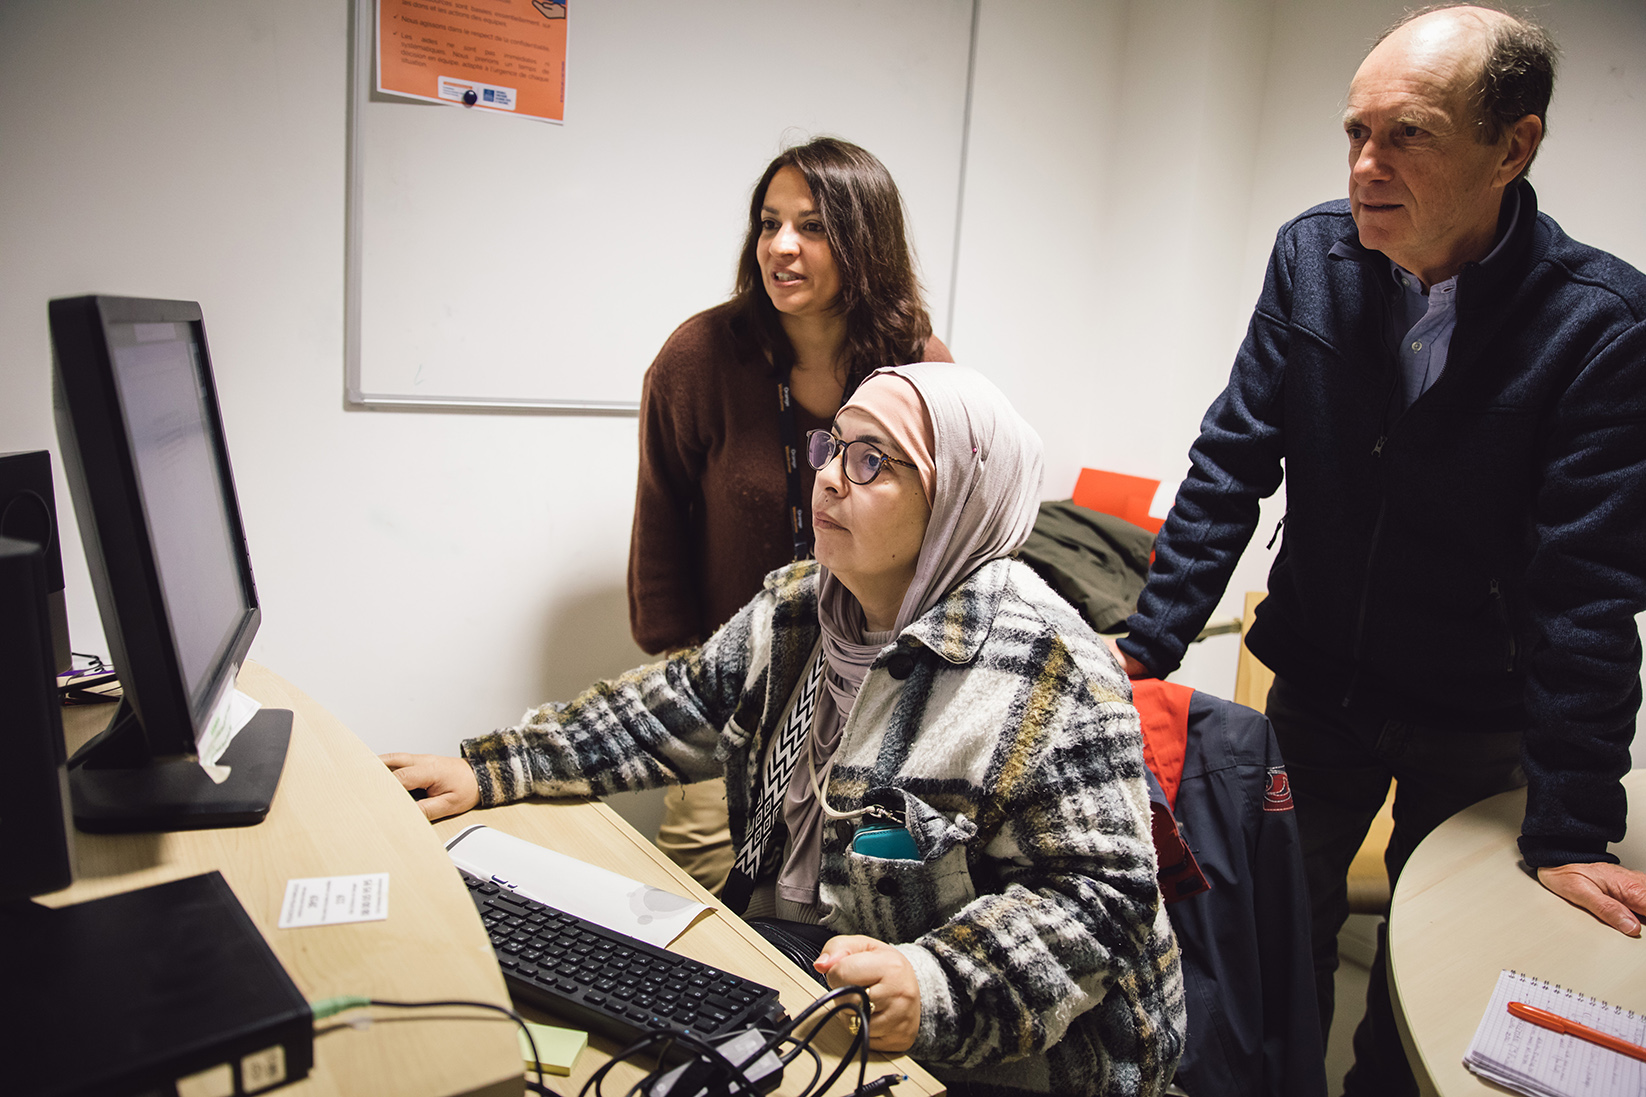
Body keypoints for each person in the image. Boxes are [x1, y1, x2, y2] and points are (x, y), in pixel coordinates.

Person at [386, 363, 1186, 1097]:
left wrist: (934, 982)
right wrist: (493, 768)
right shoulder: (803, 603)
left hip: (1020, 1060)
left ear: (954, 499)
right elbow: (676, 703)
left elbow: (1099, 901)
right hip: (816, 975)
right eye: (832, 446)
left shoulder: (1050, 669)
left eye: (871, 460)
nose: (829, 478)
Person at [1115, 6, 1646, 1094]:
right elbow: (1229, 460)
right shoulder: (1310, 255)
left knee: (1420, 983)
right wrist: (1145, 646)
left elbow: (1584, 588)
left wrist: (1574, 823)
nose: (1365, 165)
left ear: (1511, 146)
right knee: (1269, 949)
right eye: (1353, 133)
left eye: (1405, 134)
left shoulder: (1601, 326)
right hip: (1316, 685)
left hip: (1475, 711)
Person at [628, 137, 952, 895]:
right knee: (704, 895)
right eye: (768, 223)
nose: (780, 246)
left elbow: (946, 532)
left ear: (863, 241)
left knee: (839, 905)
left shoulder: (919, 365)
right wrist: (690, 673)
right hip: (731, 686)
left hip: (873, 689)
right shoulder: (700, 356)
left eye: (811, 227)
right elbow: (660, 525)